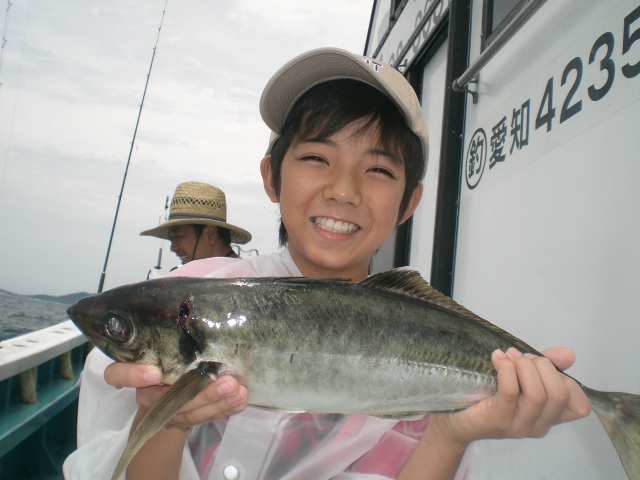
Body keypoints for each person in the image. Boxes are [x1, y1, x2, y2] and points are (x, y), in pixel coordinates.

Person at [63, 48, 591, 480]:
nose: (343, 190)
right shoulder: (188, 293)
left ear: (410, 202)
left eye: (379, 169)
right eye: (316, 157)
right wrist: (164, 423)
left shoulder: (436, 399)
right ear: (272, 176)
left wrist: (452, 433)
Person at [141, 182, 252, 268]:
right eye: (171, 240)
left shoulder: (243, 277)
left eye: (178, 236)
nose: (173, 247)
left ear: (210, 233)